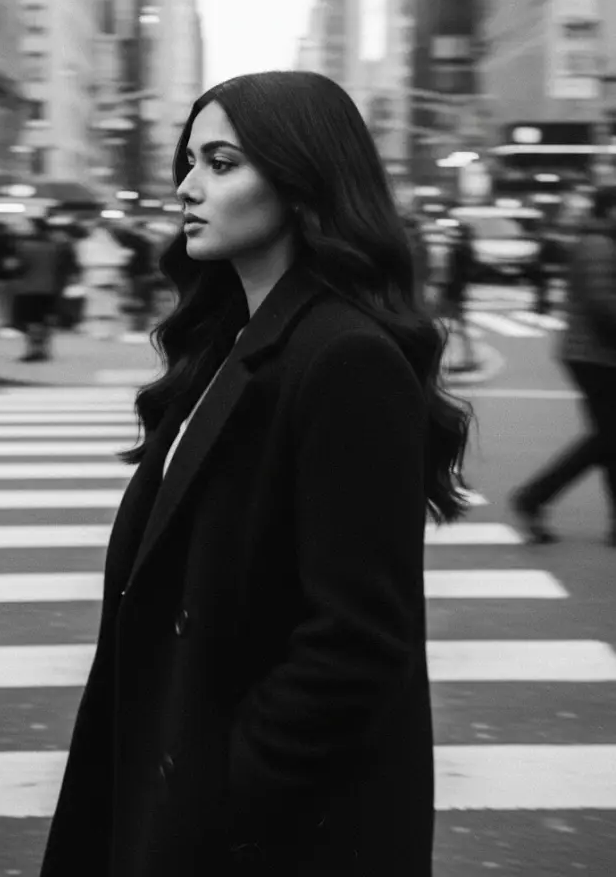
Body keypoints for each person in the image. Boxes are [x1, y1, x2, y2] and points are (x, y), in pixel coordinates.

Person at [39, 70, 471, 877]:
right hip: (171, 766)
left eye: (222, 162)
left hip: (255, 827)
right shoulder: (228, 340)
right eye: (190, 159)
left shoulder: (342, 356)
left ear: (304, 182)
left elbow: (355, 640)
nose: (187, 185)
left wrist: (226, 789)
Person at [511, 184, 616, 546]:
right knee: (607, 437)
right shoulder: (598, 246)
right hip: (594, 354)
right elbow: (603, 304)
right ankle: (533, 497)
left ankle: (536, 499)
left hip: (594, 353)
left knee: (608, 437)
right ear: (608, 211)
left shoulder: (599, 242)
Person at [11, 217, 69, 361]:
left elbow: (17, 267)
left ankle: (33, 350)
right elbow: (62, 269)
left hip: (28, 287)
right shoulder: (56, 246)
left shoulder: (23, 246)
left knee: (32, 321)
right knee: (44, 320)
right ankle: (44, 349)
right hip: (50, 288)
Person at [77, 217, 128, 339]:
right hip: (110, 274)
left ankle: (97, 330)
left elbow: (82, 260)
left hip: (94, 275)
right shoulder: (112, 243)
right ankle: (107, 331)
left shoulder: (86, 244)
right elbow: (121, 258)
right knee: (109, 304)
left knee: (96, 304)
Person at [441, 219, 477, 371]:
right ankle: (466, 357)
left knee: (451, 326)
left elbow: (453, 273)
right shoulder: (467, 249)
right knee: (456, 326)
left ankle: (463, 358)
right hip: (458, 291)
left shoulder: (459, 250)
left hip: (454, 292)